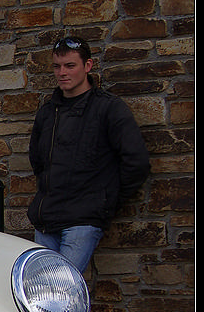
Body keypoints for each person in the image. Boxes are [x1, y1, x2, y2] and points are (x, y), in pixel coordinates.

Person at [27, 36, 150, 272]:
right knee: (40, 296)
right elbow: (38, 160)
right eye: (57, 66)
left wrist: (105, 201)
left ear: (88, 66)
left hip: (82, 221)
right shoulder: (47, 112)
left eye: (70, 65)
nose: (62, 72)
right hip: (46, 220)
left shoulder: (108, 108)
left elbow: (136, 162)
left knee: (60, 290)